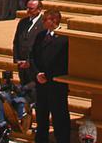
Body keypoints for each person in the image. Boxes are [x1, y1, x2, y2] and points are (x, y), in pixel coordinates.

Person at [30, 9, 69, 143]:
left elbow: (63, 63)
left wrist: (48, 75)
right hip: (41, 85)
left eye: (45, 19)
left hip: (56, 85)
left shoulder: (64, 38)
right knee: (41, 116)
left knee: (59, 117)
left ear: (54, 21)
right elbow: (33, 56)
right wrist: (37, 73)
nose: (42, 22)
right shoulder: (40, 36)